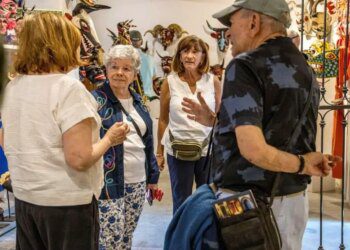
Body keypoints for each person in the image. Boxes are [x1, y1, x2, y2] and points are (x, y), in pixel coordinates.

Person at [181, 1, 341, 249]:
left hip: (249, 207)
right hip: (293, 200)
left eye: (231, 25)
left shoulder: (244, 65)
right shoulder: (304, 68)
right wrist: (214, 121)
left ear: (254, 22)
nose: (229, 34)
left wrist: (303, 164)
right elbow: (274, 126)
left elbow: (253, 149)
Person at [1, 12, 129, 250]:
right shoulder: (68, 89)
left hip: (26, 199)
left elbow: (5, 139)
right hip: (66, 205)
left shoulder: (13, 88)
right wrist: (110, 138)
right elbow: (79, 159)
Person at [92, 45, 160, 250]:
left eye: (126, 68)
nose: (120, 73)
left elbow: (147, 142)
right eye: (114, 67)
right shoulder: (95, 100)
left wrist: (153, 178)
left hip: (137, 181)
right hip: (108, 181)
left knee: (126, 237)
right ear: (106, 69)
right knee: (109, 240)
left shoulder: (139, 101)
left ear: (134, 74)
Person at [157, 35, 221, 214]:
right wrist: (159, 152)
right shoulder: (170, 82)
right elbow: (163, 119)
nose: (189, 56)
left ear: (203, 57)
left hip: (207, 151)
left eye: (195, 51)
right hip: (178, 151)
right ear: (179, 55)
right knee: (181, 202)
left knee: (207, 200)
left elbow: (220, 118)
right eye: (185, 51)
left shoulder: (212, 81)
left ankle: (204, 239)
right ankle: (182, 239)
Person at [130, 30, 157, 99]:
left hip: (134, 96)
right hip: (150, 96)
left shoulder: (127, 58)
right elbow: (154, 78)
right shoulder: (150, 58)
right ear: (141, 41)